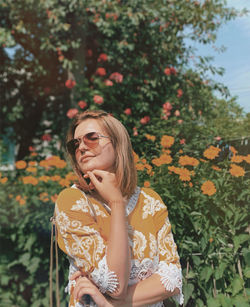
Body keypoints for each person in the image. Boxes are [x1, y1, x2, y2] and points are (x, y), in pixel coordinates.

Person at [54, 110, 184, 307]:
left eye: (92, 138)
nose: (81, 147)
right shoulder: (72, 201)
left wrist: (113, 304)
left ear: (117, 142)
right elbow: (115, 284)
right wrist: (116, 203)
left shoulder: (150, 200)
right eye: (76, 143)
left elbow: (172, 280)